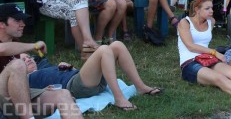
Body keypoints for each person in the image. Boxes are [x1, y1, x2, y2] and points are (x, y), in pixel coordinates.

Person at [22, 40, 163, 111]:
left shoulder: (44, 66)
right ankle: (119, 98)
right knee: (103, 50)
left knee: (117, 45)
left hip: (84, 80)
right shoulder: (26, 80)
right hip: (73, 87)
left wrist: (68, 67)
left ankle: (140, 87)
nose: (28, 59)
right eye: (23, 60)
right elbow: (33, 95)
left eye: (29, 57)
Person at [0, 3, 83, 118]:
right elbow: (2, 49)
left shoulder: (14, 41)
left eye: (23, 21)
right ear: (2, 24)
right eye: (17, 20)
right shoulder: (11, 46)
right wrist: (33, 46)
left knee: (63, 94)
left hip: (15, 100)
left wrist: (37, 90)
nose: (23, 24)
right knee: (18, 65)